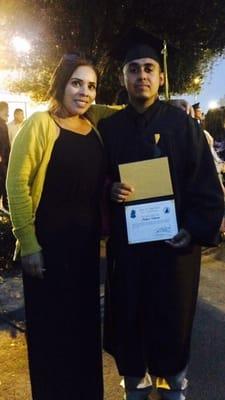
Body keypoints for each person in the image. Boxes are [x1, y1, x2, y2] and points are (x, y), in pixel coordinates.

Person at [98, 28, 224, 400]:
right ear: (123, 77)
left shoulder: (184, 126)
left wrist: (192, 230)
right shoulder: (109, 130)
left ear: (161, 76)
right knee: (130, 317)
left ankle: (175, 384)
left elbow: (206, 187)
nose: (142, 75)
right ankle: (134, 384)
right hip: (129, 248)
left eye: (149, 68)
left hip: (175, 248)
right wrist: (109, 189)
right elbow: (93, 181)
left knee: (173, 318)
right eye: (133, 69)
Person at [6, 53, 117, 400]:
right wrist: (29, 243)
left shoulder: (94, 126)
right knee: (51, 340)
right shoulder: (40, 123)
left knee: (83, 336)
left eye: (91, 86)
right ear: (61, 83)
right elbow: (16, 184)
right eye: (76, 83)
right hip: (47, 252)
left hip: (84, 252)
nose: (84, 92)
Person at [0, 101, 10, 209]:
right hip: (1, 158)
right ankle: (5, 205)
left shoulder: (3, 123)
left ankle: (6, 204)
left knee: (4, 180)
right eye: (6, 109)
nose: (8, 111)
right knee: (3, 180)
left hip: (5, 158)